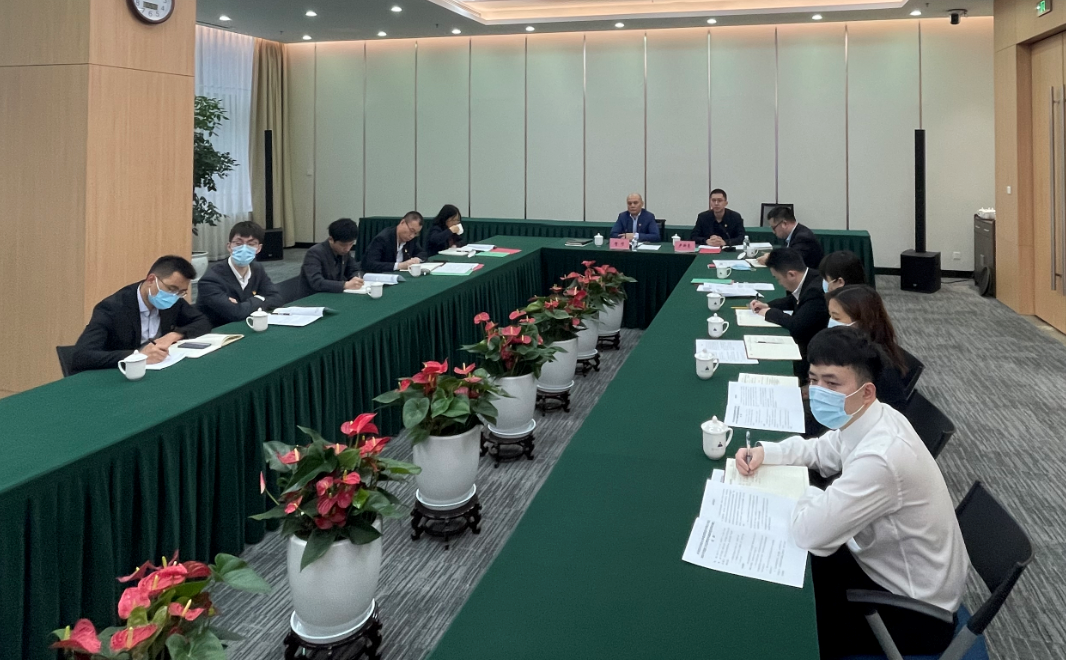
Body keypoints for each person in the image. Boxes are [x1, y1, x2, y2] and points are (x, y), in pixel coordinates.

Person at [734, 327, 968, 659]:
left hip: (912, 613)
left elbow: (810, 533)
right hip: (881, 565)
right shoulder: (871, 416)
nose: (818, 391)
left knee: (782, 622)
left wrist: (809, 495)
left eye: (832, 383)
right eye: (813, 380)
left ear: (867, 391)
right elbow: (822, 451)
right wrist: (767, 452)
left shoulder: (881, 458)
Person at [70, 256, 212, 374]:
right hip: (122, 376)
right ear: (151, 280)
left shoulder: (173, 300)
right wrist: (138, 355)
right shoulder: (112, 308)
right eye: (171, 289)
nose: (175, 296)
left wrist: (174, 335)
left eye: (181, 292)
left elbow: (203, 321)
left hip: (161, 371)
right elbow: (82, 356)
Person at [749, 248, 829, 383]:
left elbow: (797, 326)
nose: (779, 283)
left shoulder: (815, 293)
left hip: (813, 352)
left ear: (791, 274)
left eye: (778, 279)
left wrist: (770, 313)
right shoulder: (810, 277)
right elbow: (793, 299)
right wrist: (768, 305)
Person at [825, 285, 910, 411]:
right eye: (830, 316)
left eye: (836, 318)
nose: (831, 322)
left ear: (861, 322)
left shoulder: (879, 367)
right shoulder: (849, 347)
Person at [196, 221, 284, 327]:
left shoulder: (257, 269)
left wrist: (243, 305)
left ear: (259, 248)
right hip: (219, 331)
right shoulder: (210, 279)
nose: (244, 249)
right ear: (229, 247)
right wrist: (261, 298)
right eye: (238, 244)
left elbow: (277, 299)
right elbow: (235, 313)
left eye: (251, 244)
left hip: (248, 326)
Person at [299, 218, 364, 297]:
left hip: (334, 294)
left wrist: (356, 278)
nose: (347, 249)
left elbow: (354, 269)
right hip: (313, 297)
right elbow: (316, 282)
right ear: (331, 239)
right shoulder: (314, 253)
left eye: (351, 244)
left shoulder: (343, 251)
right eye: (343, 245)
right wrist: (345, 285)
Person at [757, 205, 823, 270]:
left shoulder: (803, 238)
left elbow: (791, 261)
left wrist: (769, 259)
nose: (773, 232)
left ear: (784, 224)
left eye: (774, 228)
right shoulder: (794, 233)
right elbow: (785, 254)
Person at [362, 211, 428, 273]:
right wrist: (399, 266)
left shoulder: (411, 240)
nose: (412, 236)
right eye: (411, 230)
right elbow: (370, 264)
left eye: (415, 233)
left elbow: (422, 253)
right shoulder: (383, 239)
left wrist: (417, 259)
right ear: (402, 222)